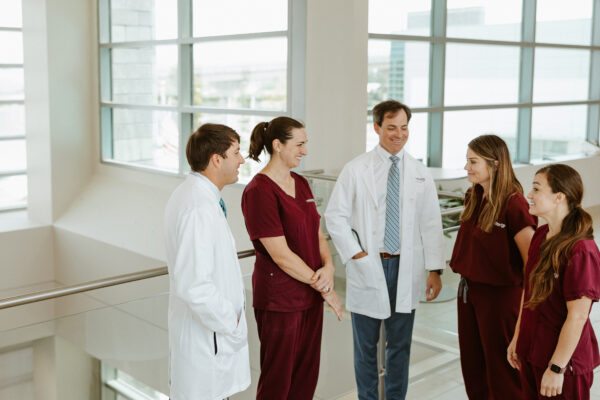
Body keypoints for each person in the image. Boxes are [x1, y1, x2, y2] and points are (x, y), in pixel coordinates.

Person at [324, 100, 445, 400]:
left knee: (400, 346)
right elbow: (334, 216)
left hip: (406, 267)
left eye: (404, 128)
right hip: (370, 265)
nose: (399, 134)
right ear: (377, 127)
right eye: (391, 127)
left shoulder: (419, 172)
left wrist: (436, 269)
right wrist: (357, 255)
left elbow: (431, 222)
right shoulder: (356, 170)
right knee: (365, 347)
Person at [241, 116, 342, 400]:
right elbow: (281, 256)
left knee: (305, 378)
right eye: (299, 144)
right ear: (277, 145)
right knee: (278, 382)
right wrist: (322, 285)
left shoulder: (301, 182)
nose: (305, 151)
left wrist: (329, 267)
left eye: (305, 144)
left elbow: (316, 232)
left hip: (310, 295)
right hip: (280, 300)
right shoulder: (259, 190)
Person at [164, 123, 250, 400]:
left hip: (210, 343)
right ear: (216, 159)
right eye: (236, 152)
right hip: (207, 344)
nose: (242, 159)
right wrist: (232, 322)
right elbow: (194, 286)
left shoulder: (201, 198)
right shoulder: (197, 207)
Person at [449, 134, 536, 399]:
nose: (467, 168)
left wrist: (526, 313)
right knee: (473, 368)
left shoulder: (514, 204)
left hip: (500, 299)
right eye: (467, 161)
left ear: (495, 164)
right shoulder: (473, 195)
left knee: (503, 369)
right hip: (469, 292)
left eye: (473, 162)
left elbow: (532, 263)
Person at [507, 164, 600, 399]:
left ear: (559, 197)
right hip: (531, 352)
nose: (529, 195)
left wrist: (556, 367)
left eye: (537, 189)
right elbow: (529, 291)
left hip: (562, 365)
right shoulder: (541, 235)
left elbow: (578, 316)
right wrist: (518, 337)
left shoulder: (581, 251)